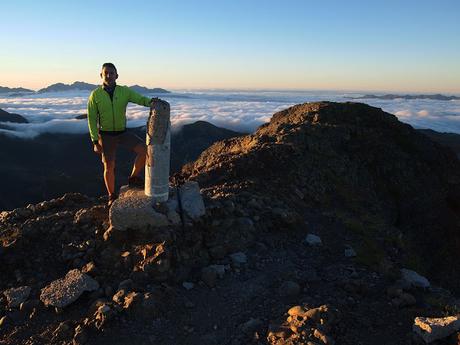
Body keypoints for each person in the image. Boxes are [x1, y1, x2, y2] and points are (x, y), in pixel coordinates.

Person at [87, 62, 161, 207]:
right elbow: (91, 118)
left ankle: (133, 178)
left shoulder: (124, 91)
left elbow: (140, 99)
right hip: (106, 135)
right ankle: (112, 195)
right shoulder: (95, 95)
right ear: (101, 75)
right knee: (109, 166)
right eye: (106, 73)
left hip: (122, 132)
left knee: (145, 151)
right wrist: (95, 141)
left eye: (111, 73)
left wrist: (151, 102)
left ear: (117, 76)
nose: (109, 75)